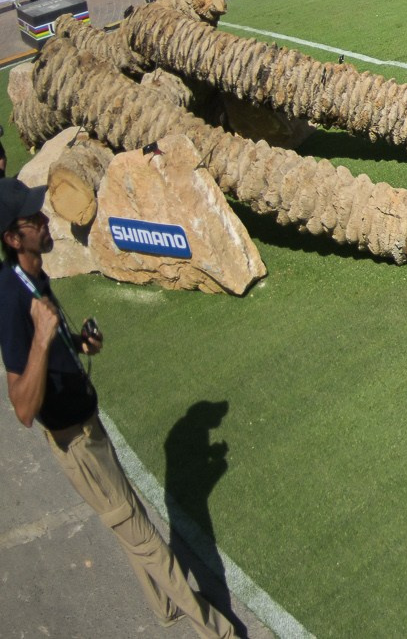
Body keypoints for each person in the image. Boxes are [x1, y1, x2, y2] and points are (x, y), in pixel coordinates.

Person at [2, 180, 243, 639]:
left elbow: (52, 346)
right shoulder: (8, 298)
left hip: (88, 426)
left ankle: (163, 608)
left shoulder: (34, 274)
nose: (47, 220)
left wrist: (75, 342)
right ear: (14, 239)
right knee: (146, 539)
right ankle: (218, 632)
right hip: (75, 446)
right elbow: (22, 408)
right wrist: (40, 338)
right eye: (34, 221)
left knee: (132, 520)